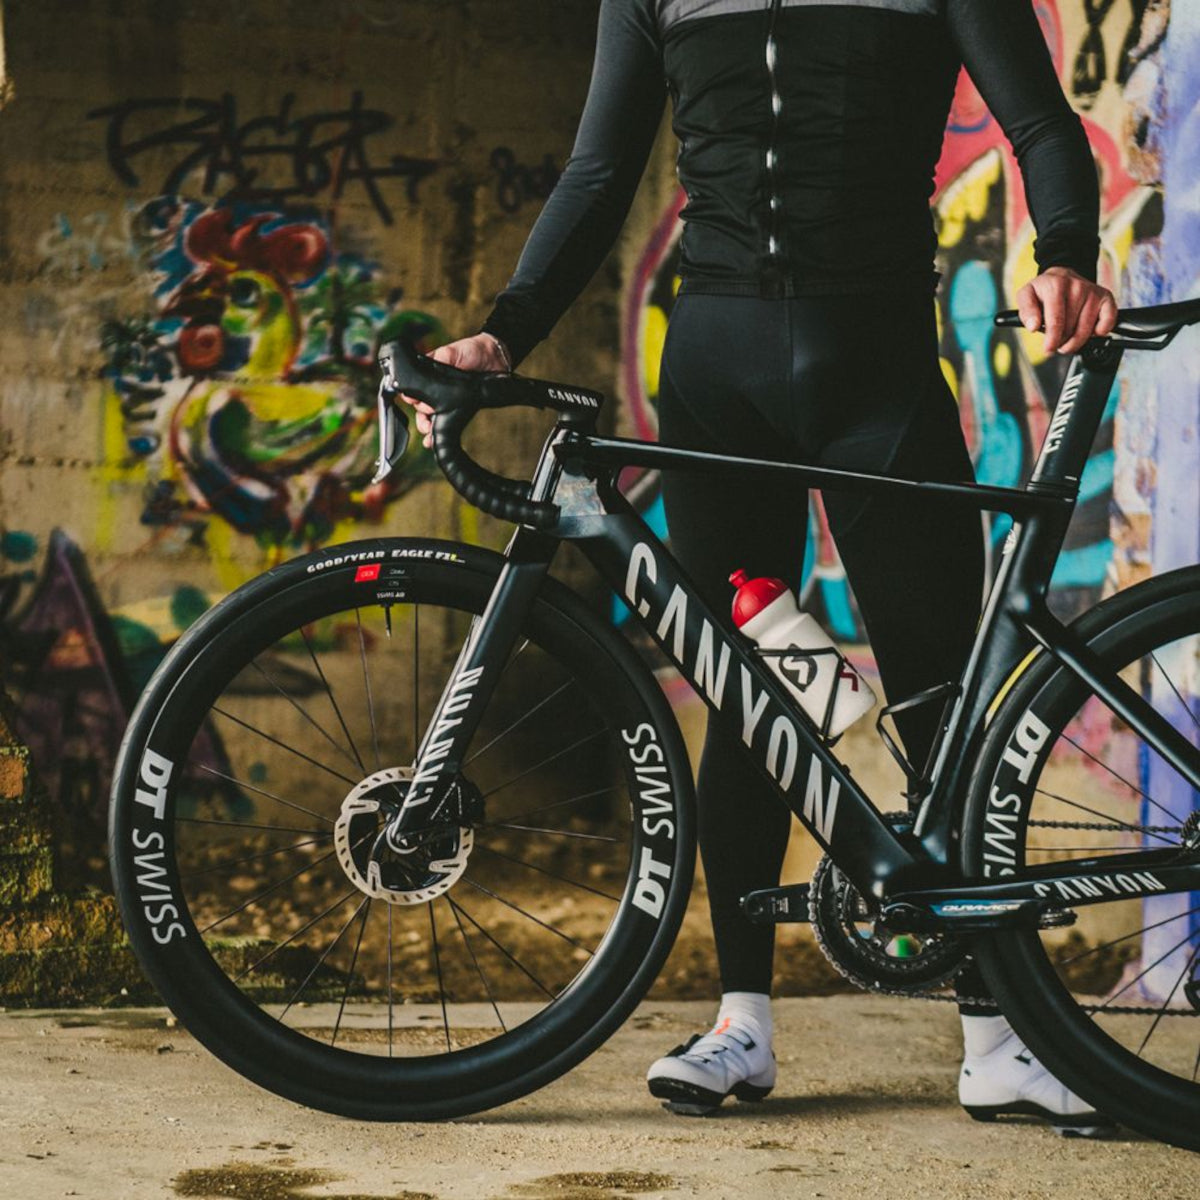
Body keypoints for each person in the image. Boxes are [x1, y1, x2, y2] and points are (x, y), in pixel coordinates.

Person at [401, 0, 1119, 1132]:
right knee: (742, 698)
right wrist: (506, 331)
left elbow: (1040, 125)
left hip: (877, 370)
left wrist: (1066, 255)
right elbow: (599, 172)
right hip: (715, 377)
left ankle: (996, 1038)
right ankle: (742, 1025)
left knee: (939, 698)